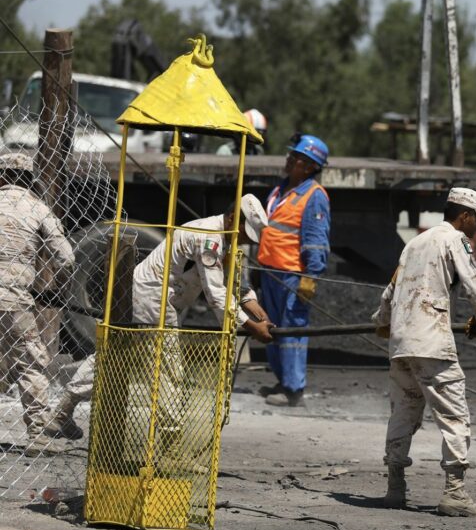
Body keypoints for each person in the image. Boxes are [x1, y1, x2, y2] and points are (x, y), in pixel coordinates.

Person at [39, 196, 275, 443]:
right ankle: (170, 443)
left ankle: (61, 413)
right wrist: (249, 325)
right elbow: (215, 293)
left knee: (115, 354)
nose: (247, 240)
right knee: (167, 368)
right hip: (153, 299)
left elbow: (232, 277)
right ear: (232, 219)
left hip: (153, 297)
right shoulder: (209, 239)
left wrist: (257, 310)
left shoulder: (224, 237)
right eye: (246, 234)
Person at [372, 187, 476, 517]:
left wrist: (383, 322)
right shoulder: (454, 240)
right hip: (432, 342)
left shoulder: (414, 242)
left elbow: (391, 289)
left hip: (402, 343)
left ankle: (395, 488)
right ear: (464, 215)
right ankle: (454, 492)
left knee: (403, 412)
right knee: (455, 416)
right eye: (475, 221)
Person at [0, 152, 74, 453]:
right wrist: (58, 290)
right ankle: (39, 434)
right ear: (31, 180)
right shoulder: (37, 207)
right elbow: (66, 258)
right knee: (29, 362)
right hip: (13, 299)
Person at [257, 134, 331, 407]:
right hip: (271, 272)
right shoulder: (279, 190)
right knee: (272, 330)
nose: (289, 161)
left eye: (296, 159)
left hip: (292, 276)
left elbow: (316, 241)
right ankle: (281, 380)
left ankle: (293, 390)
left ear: (311, 166)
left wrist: (310, 277)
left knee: (292, 333)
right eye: (291, 156)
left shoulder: (314, 197)